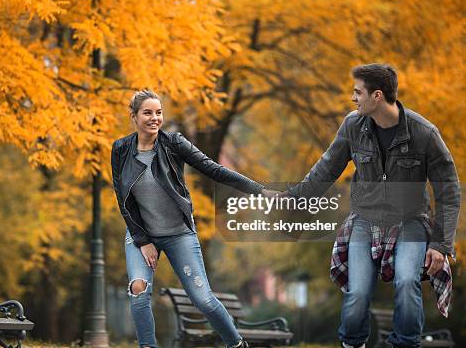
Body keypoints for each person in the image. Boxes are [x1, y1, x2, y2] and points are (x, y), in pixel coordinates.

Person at [285, 64, 460, 348]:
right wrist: (292, 198)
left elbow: (449, 190)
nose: (353, 98)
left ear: (377, 96)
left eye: (358, 92)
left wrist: (441, 245)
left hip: (410, 222)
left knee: (406, 282)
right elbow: (325, 170)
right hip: (364, 221)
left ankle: (405, 344)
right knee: (357, 294)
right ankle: (353, 344)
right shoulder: (353, 126)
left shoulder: (424, 133)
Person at [111, 90, 264, 348]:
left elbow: (214, 169)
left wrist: (258, 189)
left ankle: (236, 344)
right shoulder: (121, 149)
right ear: (134, 117)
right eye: (147, 113)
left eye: (158, 112)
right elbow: (123, 197)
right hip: (141, 233)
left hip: (178, 232)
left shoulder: (174, 144)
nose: (154, 118)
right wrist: (142, 240)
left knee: (203, 299)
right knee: (138, 288)